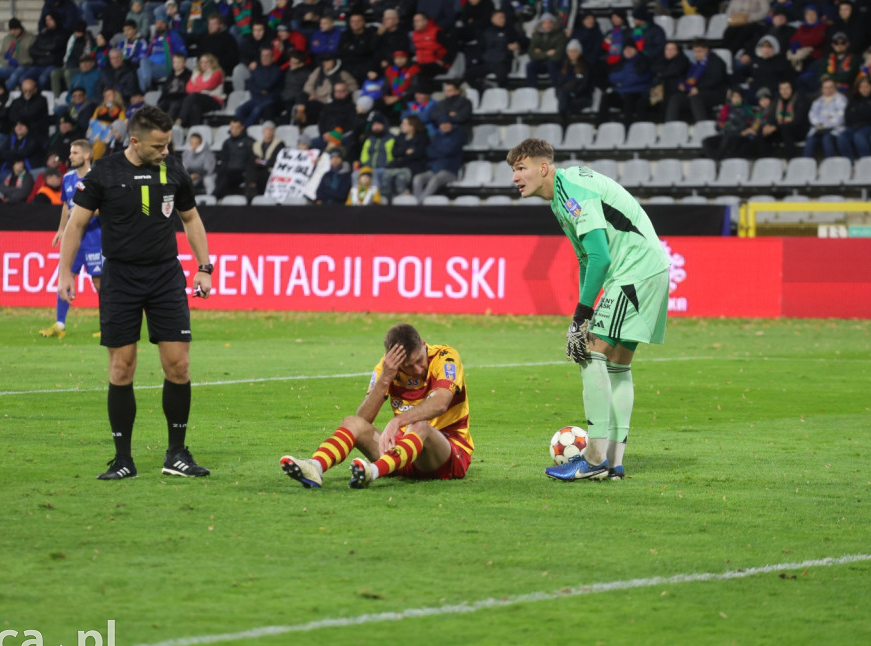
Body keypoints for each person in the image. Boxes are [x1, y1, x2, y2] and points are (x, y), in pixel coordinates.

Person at [58, 105, 213, 480]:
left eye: (168, 144)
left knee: (178, 365)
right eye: (158, 146)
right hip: (120, 279)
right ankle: (123, 459)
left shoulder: (173, 170)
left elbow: (191, 218)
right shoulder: (105, 171)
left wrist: (204, 267)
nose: (165, 151)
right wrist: (65, 270)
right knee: (121, 367)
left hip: (165, 277)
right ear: (135, 141)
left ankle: (176, 454)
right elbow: (76, 224)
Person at [507, 138, 669, 481]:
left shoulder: (573, 192)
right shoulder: (561, 196)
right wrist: (584, 311)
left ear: (544, 168)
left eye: (521, 168)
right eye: (513, 170)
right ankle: (613, 463)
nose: (515, 177)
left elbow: (600, 257)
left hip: (634, 271)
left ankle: (593, 460)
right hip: (646, 268)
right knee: (617, 365)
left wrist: (581, 317)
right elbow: (585, 259)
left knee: (589, 354)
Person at [279, 322, 473, 489]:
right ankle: (315, 466)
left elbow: (440, 403)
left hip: (448, 454)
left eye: (419, 361)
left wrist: (398, 421)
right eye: (408, 366)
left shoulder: (445, 357)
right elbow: (363, 419)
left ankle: (372, 471)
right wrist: (385, 378)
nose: (417, 370)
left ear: (423, 345)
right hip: (401, 452)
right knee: (352, 422)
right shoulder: (387, 368)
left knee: (420, 425)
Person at [41, 139, 102, 339]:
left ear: (86, 155)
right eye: (70, 152)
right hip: (73, 239)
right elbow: (66, 206)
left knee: (100, 283)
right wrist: (61, 229)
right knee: (65, 275)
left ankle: (108, 325)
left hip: (94, 238)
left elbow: (104, 208)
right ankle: (60, 325)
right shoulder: (67, 178)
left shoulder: (98, 178)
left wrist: (82, 214)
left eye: (75, 152)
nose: (70, 156)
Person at [0, 18, 36, 91]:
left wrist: (24, 61)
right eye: (11, 29)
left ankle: (5, 94)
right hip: (10, 66)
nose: (13, 32)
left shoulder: (30, 38)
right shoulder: (7, 39)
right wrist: (7, 61)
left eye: (15, 29)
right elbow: (1, 55)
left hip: (25, 66)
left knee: (14, 76)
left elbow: (35, 56)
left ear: (20, 28)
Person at [213, 117, 258, 198]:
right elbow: (224, 159)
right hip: (228, 171)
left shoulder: (249, 142)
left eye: (237, 128)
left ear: (242, 127)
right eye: (232, 128)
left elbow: (252, 159)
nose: (234, 130)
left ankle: (213, 197)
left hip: (242, 173)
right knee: (219, 174)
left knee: (227, 176)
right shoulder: (227, 143)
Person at [803, 76, 847, 158]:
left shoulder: (841, 99)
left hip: (834, 130)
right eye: (826, 88)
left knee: (826, 139)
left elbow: (840, 118)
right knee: (810, 139)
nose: (828, 90)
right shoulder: (817, 101)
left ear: (835, 88)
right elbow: (812, 115)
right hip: (818, 129)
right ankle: (805, 166)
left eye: (831, 87)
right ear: (822, 89)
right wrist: (824, 121)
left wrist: (823, 124)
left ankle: (830, 166)